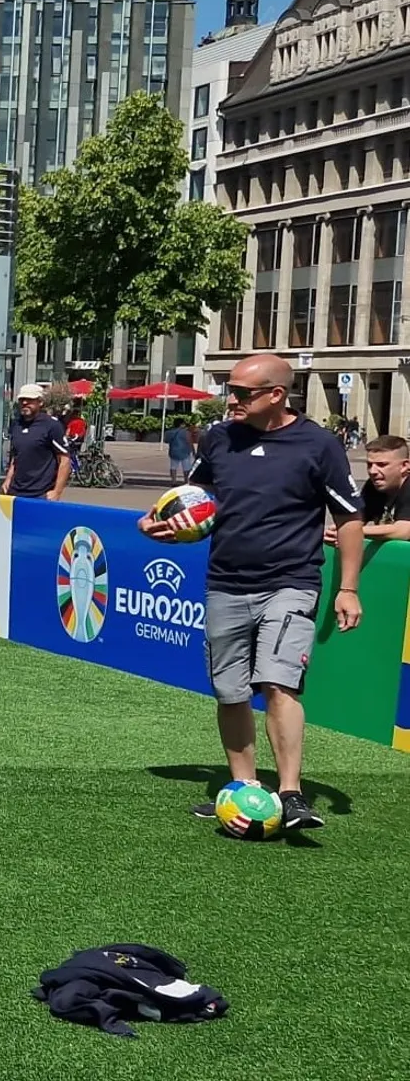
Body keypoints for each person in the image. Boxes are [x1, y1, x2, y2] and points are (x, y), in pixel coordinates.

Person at [139, 352, 363, 830]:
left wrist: (348, 587)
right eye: (229, 389)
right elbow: (195, 501)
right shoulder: (220, 438)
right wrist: (156, 522)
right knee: (230, 691)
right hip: (225, 582)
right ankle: (243, 789)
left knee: (279, 683)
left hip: (291, 581)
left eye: (241, 392)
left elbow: (349, 519)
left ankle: (292, 794)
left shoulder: (319, 444)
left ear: (277, 394)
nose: (231, 399)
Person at [328, 434, 410, 546]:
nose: (372, 471)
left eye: (382, 465)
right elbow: (355, 521)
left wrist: (349, 532)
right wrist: (337, 530)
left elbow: (403, 531)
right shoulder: (372, 486)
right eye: (370, 464)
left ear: (404, 466)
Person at [2, 383, 70, 500]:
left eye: (30, 400)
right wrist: (8, 479)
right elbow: (16, 456)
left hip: (40, 494)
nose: (24, 403)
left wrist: (57, 492)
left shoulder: (52, 425)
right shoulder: (16, 425)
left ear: (40, 402)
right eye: (22, 399)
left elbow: (65, 460)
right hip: (15, 492)